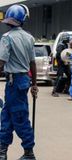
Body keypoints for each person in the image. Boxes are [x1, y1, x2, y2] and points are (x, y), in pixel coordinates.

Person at [0, 4, 38, 160]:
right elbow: (32, 63)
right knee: (6, 117)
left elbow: (1, 63)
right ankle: (2, 151)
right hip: (22, 81)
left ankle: (29, 153)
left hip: (14, 82)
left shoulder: (7, 38)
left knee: (19, 117)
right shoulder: (29, 38)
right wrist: (34, 84)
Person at [51, 33, 72, 97]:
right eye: (68, 38)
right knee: (59, 77)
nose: (69, 40)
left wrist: (70, 57)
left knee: (70, 76)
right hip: (61, 64)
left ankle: (67, 89)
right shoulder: (60, 45)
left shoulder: (65, 45)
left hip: (65, 63)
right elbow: (59, 55)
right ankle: (54, 91)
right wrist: (63, 61)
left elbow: (66, 53)